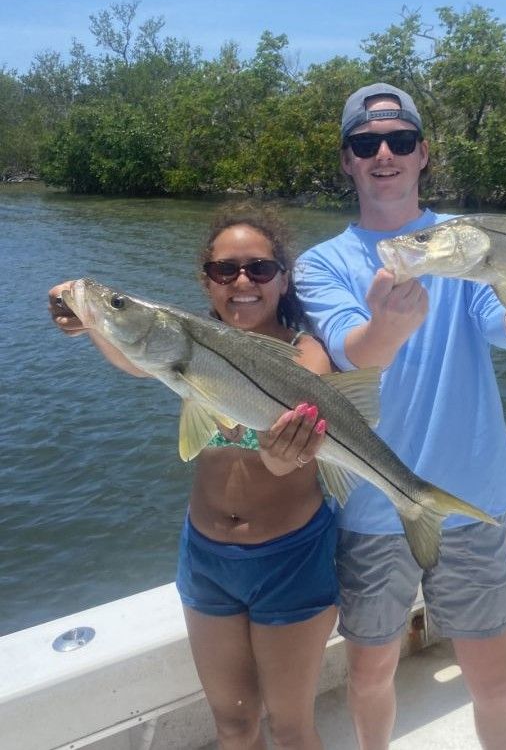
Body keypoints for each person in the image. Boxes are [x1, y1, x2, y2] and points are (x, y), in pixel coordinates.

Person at [294, 83, 506, 750]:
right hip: (375, 504)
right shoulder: (320, 263)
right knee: (370, 672)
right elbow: (352, 352)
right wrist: (387, 329)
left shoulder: (468, 242)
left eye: (400, 140)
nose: (384, 153)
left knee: (493, 680)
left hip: (472, 498)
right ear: (349, 160)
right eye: (366, 143)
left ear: (422, 154)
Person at [48, 202, 337, 750]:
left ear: (282, 280)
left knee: (291, 726)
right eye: (225, 271)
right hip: (206, 557)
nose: (243, 282)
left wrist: (285, 458)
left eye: (259, 269)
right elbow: (137, 357)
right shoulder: (186, 345)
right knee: (232, 725)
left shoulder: (306, 354)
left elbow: (296, 449)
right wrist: (88, 316)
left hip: (291, 557)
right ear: (207, 283)